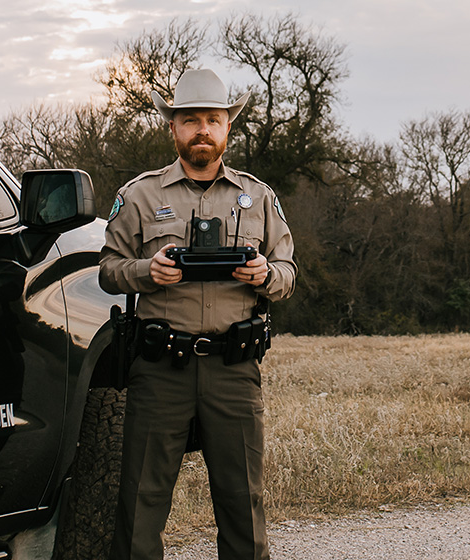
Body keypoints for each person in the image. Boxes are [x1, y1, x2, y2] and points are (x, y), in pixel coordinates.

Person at [99, 68, 296, 560]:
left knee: (242, 502)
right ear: (173, 128)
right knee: (141, 502)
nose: (202, 130)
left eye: (213, 119)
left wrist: (264, 276)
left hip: (234, 367)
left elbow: (290, 272)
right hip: (161, 367)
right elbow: (107, 270)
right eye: (190, 120)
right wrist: (148, 271)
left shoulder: (259, 197)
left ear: (228, 127)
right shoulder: (141, 195)